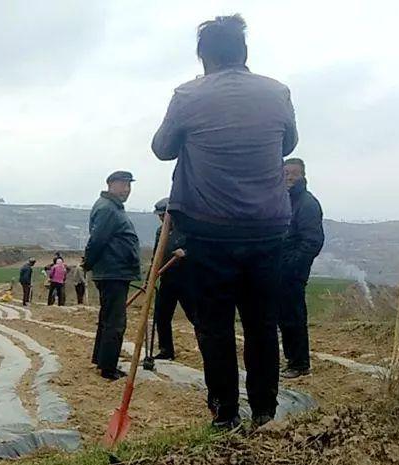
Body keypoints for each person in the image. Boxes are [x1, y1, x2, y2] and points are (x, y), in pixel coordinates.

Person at [151, 14, 298, 428]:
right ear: (244, 53)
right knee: (262, 324)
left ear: (204, 58)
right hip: (268, 228)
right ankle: (265, 412)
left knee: (214, 326)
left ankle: (225, 414)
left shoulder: (187, 95)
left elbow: (162, 148)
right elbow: (288, 142)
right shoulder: (278, 93)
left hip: (208, 229)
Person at [84, 171, 141, 380]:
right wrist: (88, 262)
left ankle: (101, 360)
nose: (126, 189)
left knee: (107, 318)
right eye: (122, 184)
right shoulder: (108, 208)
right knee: (115, 322)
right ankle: (108, 368)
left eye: (129, 185)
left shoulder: (111, 207)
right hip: (113, 271)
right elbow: (98, 240)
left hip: (114, 270)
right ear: (110, 185)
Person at [279, 158, 325, 379]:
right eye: (286, 172)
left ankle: (299, 363)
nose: (289, 177)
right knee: (283, 316)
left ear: (302, 176)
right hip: (278, 269)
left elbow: (312, 241)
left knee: (294, 316)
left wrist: (291, 266)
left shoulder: (307, 203)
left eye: (293, 173)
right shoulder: (283, 200)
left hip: (293, 271)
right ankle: (291, 360)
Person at [151, 198, 194, 360]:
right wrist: (151, 276)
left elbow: (199, 248)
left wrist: (186, 252)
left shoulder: (187, 230)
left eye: (163, 215)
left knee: (194, 315)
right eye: (160, 216)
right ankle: (166, 350)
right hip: (167, 279)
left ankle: (208, 348)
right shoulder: (160, 232)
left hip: (186, 280)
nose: (161, 219)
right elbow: (156, 255)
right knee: (161, 315)